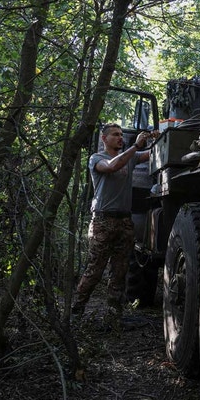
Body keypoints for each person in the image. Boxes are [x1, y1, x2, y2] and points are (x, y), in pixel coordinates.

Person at [71, 123, 155, 320]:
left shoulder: (131, 157)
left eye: (121, 135)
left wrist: (155, 138)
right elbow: (112, 166)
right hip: (103, 221)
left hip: (124, 221)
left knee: (120, 271)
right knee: (95, 271)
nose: (120, 138)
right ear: (104, 139)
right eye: (115, 135)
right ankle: (76, 311)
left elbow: (152, 154)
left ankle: (113, 315)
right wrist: (135, 146)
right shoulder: (97, 159)